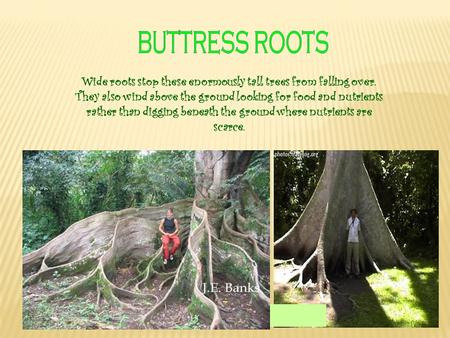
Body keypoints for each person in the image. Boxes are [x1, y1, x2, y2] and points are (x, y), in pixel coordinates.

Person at [345, 208, 361, 277]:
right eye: (352, 213)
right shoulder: (349, 220)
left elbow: (359, 230)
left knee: (356, 257)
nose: (353, 214)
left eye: (354, 213)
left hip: (356, 242)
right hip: (349, 241)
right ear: (351, 214)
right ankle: (347, 272)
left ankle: (357, 272)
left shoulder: (358, 221)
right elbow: (347, 229)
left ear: (356, 214)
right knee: (348, 257)